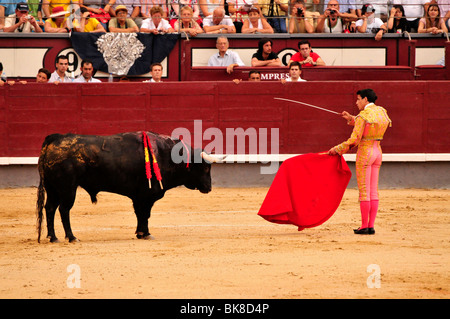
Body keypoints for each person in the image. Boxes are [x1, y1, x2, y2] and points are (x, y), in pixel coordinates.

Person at [328, 88, 392, 235]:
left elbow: (354, 140)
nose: (356, 102)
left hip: (365, 153)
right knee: (373, 191)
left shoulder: (363, 116)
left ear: (365, 100)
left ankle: (364, 225)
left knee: (364, 191)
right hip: (377, 152)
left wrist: (337, 149)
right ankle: (371, 225)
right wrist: (351, 118)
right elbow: (368, 125)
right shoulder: (382, 111)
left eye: (358, 99)